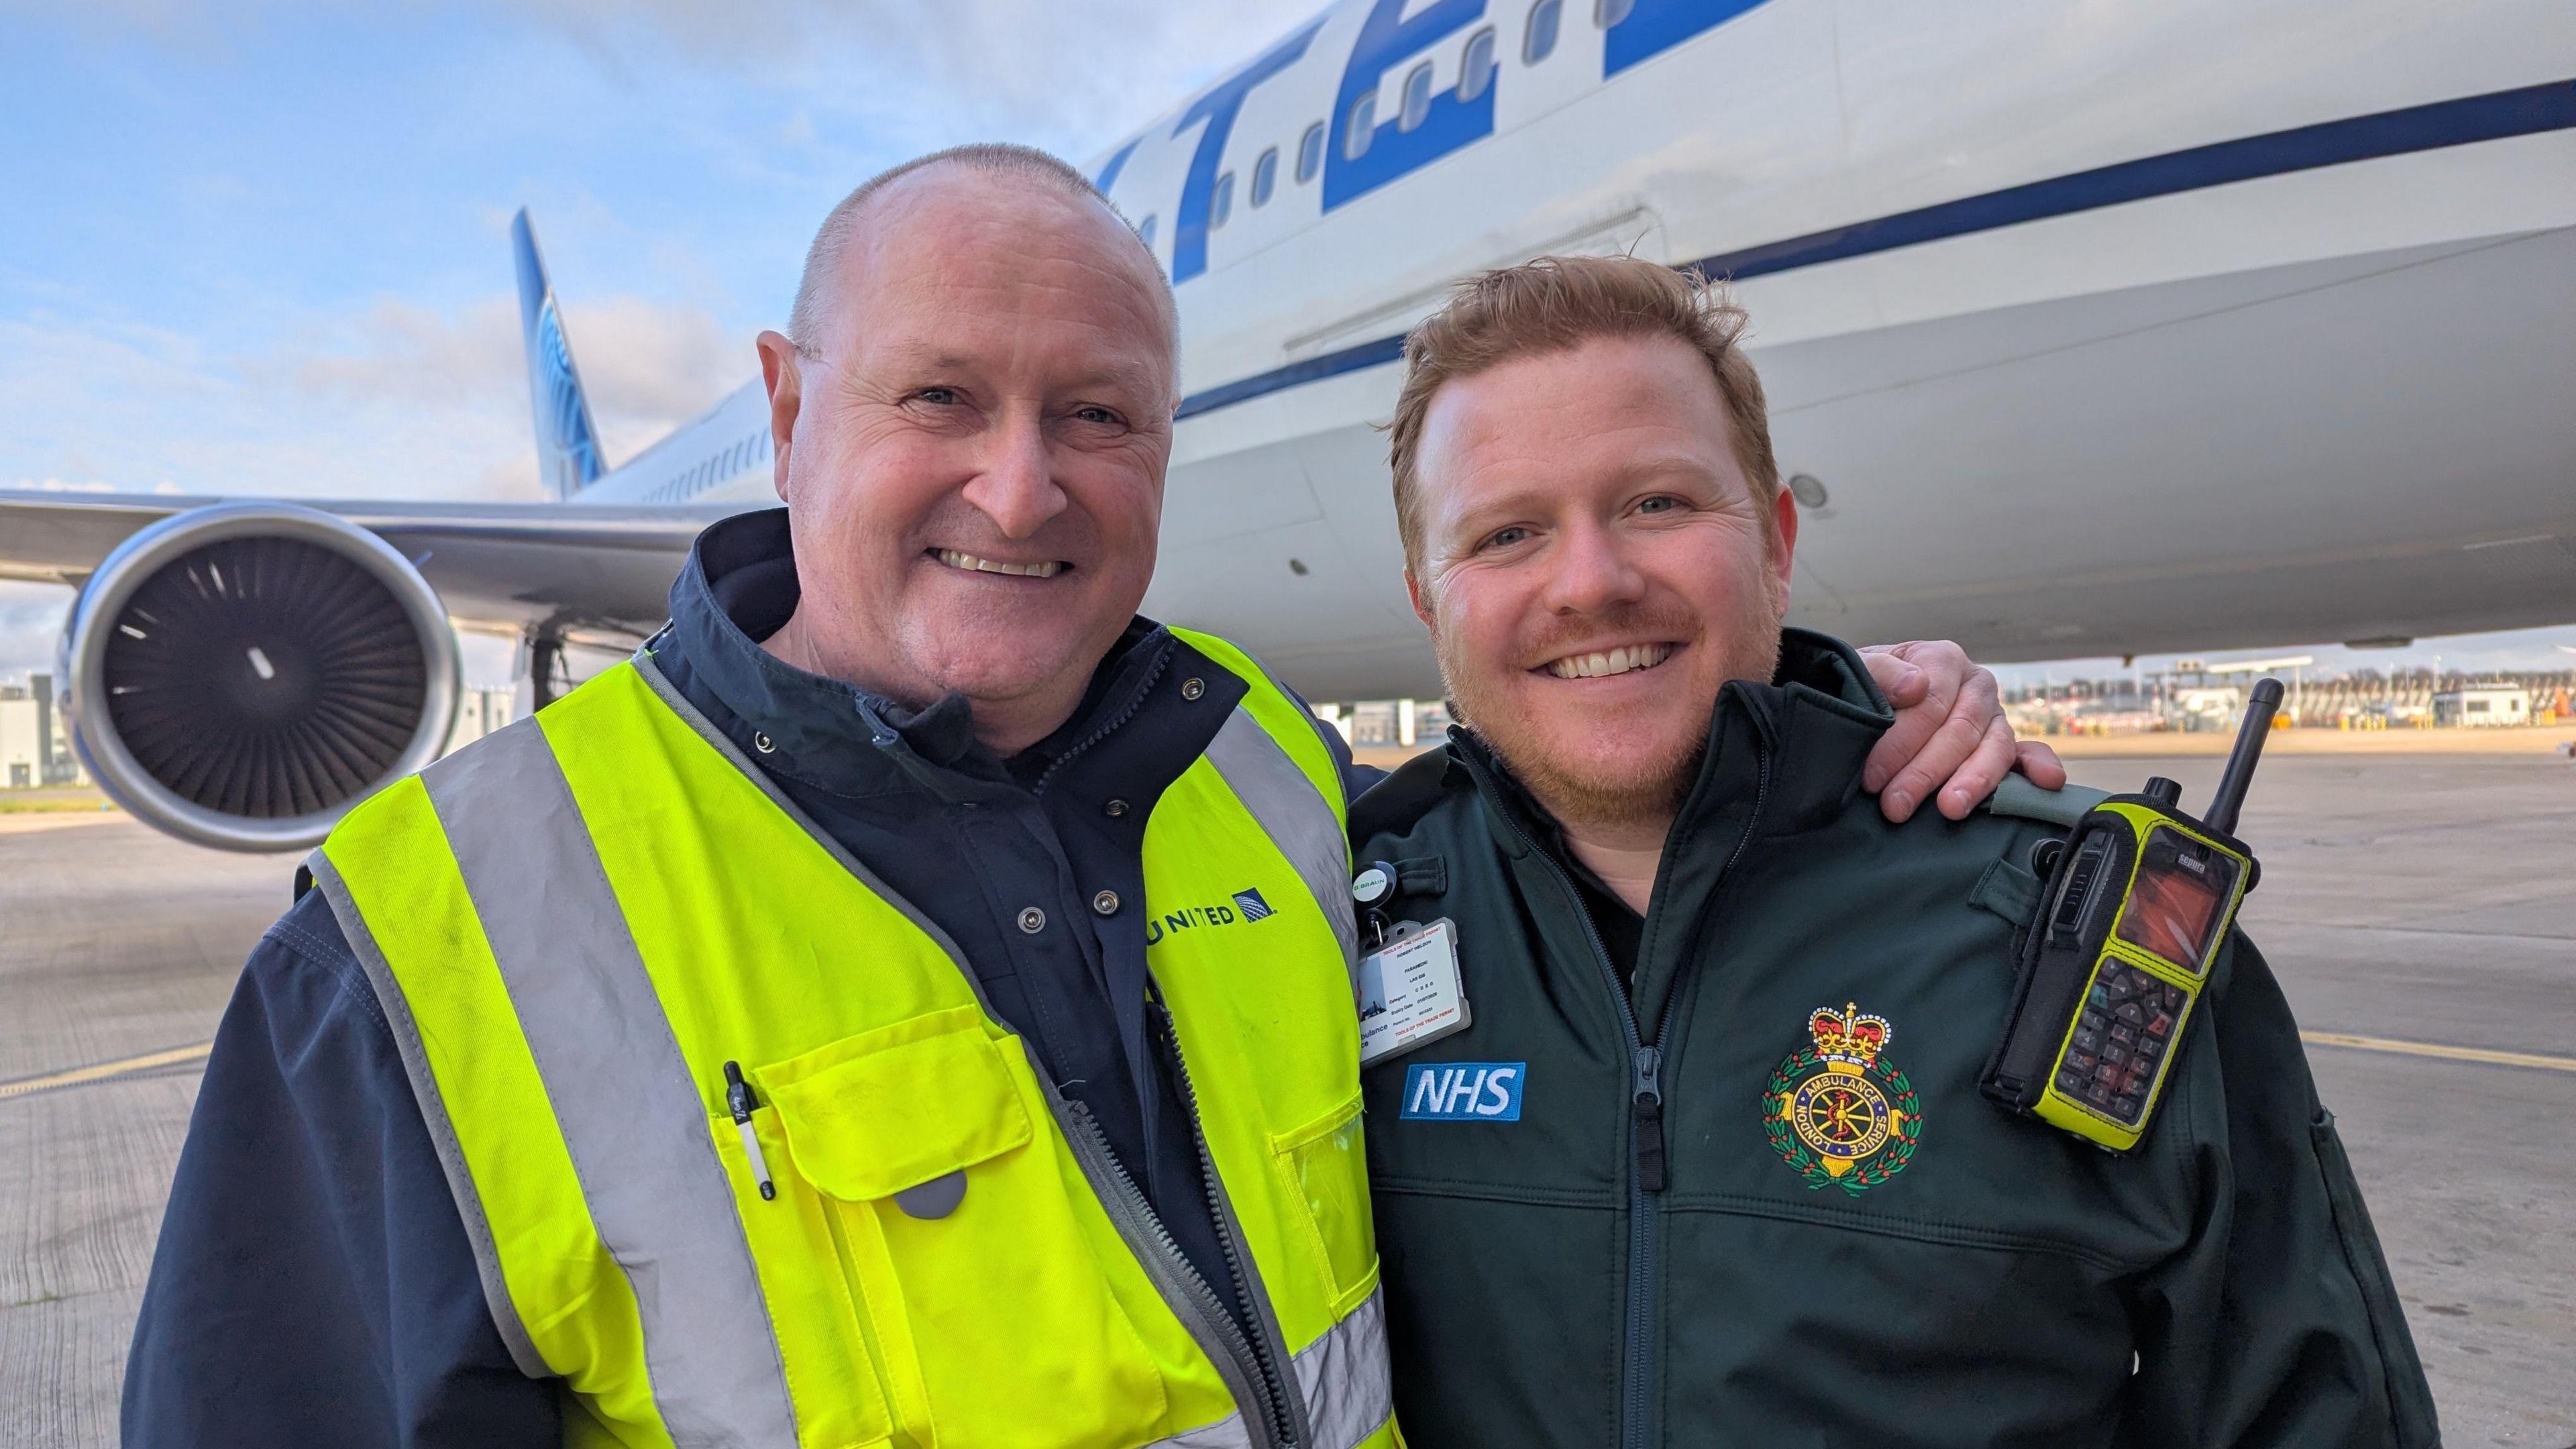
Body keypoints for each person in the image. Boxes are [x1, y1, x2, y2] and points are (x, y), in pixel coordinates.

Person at [124, 147, 2043, 1448]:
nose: (1024, 489)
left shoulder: (1280, 790)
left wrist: (1839, 716)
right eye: (939, 400)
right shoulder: (429, 944)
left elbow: (1594, 808)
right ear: (791, 412)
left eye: (1099, 416)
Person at [1350, 254, 2440, 1447]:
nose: (1592, 582)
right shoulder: (1329, 918)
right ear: (1426, 599)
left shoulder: (2078, 929)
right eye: (1507, 533)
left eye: (1657, 503)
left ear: (1773, 541)